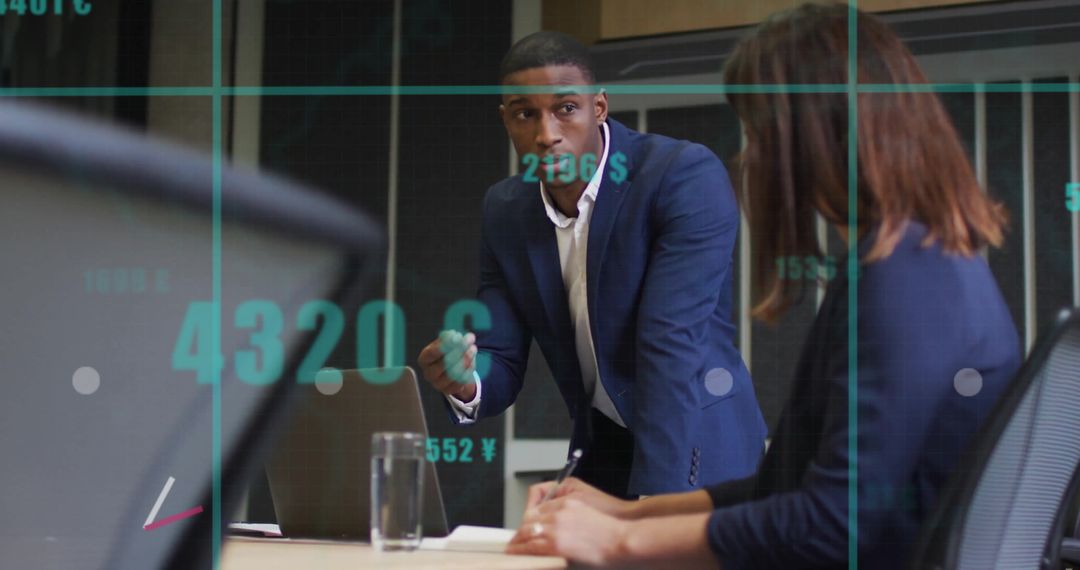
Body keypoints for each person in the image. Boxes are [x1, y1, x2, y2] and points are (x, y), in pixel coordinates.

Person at [505, 4, 1022, 568]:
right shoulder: (913, 262)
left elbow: (833, 524)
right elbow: (785, 483)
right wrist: (622, 513)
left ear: (817, 131)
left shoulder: (908, 282)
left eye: (759, 131)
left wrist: (616, 543)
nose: (751, 155)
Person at [416, 31, 767, 498]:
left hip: (699, 451)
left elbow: (669, 345)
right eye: (526, 114)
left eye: (566, 109)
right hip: (602, 454)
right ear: (506, 120)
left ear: (598, 107)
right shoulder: (506, 210)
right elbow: (500, 356)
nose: (547, 135)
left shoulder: (680, 176)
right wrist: (464, 382)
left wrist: (648, 514)